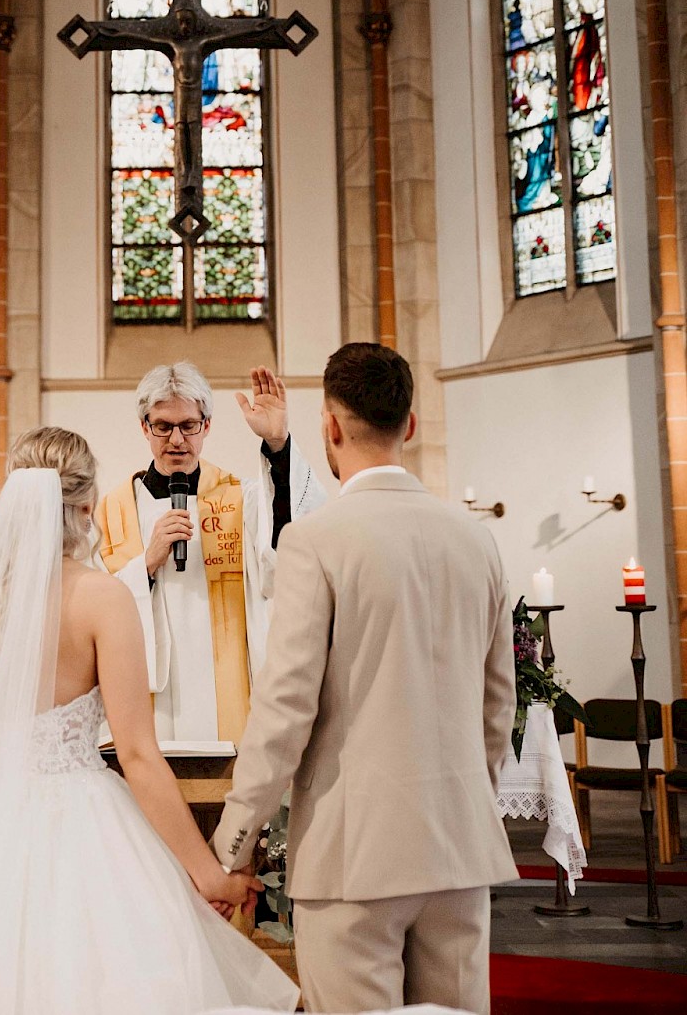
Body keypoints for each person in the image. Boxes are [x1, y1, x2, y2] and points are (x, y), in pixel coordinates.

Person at [0, 427, 297, 1015]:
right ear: (86, 507)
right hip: (78, 819)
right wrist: (208, 876)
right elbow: (138, 757)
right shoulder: (102, 598)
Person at [213, 343, 517, 1014]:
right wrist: (466, 804)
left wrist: (234, 841)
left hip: (354, 855)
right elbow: (500, 710)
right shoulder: (477, 542)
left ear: (328, 425)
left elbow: (285, 709)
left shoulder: (317, 541)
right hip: (459, 851)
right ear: (410, 425)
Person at [96, 363, 326, 744]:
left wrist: (279, 445)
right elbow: (94, 612)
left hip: (229, 685)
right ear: (144, 428)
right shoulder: (111, 512)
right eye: (163, 426)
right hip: (149, 693)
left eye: (189, 425)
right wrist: (147, 565)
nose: (176, 440)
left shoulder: (240, 499)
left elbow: (290, 552)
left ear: (207, 426)